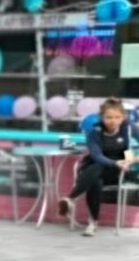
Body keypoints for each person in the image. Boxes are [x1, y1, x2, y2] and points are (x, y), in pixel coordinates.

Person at [58, 98, 137, 236]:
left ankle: (72, 200)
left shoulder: (128, 128)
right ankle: (92, 222)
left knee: (96, 172)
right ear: (101, 117)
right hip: (96, 168)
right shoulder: (94, 132)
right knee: (96, 176)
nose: (113, 121)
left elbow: (128, 152)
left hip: (119, 171)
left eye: (117, 117)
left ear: (123, 117)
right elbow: (97, 156)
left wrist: (132, 160)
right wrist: (115, 162)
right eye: (109, 117)